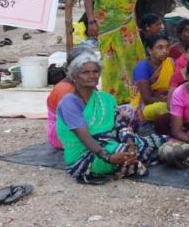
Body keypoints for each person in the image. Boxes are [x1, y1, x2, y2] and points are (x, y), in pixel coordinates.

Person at [55, 52, 166, 184]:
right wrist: (109, 157)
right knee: (126, 153)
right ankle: (145, 158)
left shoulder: (105, 98)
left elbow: (120, 126)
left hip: (111, 143)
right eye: (85, 72)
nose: (92, 76)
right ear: (74, 76)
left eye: (95, 71)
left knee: (160, 141)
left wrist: (131, 143)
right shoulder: (69, 103)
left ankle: (143, 156)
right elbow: (84, 137)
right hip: (85, 155)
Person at [83, 0, 152, 104]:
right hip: (108, 27)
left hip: (127, 26)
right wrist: (91, 20)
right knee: (111, 62)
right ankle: (114, 97)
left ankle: (133, 95)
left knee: (131, 59)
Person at [131, 34, 174, 122]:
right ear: (150, 50)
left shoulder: (171, 62)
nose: (165, 51)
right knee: (158, 109)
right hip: (146, 105)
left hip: (169, 100)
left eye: (167, 47)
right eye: (160, 48)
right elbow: (147, 99)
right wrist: (169, 100)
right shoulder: (142, 67)